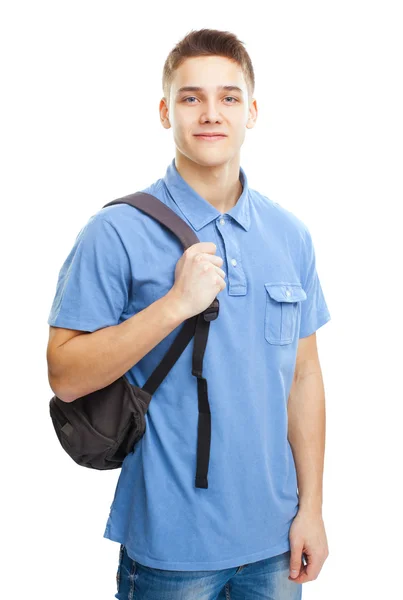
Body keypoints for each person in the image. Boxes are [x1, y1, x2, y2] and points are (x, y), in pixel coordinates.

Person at [46, 28, 331, 600]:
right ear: (164, 111)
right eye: (190, 97)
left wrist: (313, 509)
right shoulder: (116, 231)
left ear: (252, 111)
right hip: (170, 548)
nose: (210, 113)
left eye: (228, 97)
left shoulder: (289, 235)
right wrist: (175, 305)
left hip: (274, 541)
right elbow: (65, 374)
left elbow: (303, 378)